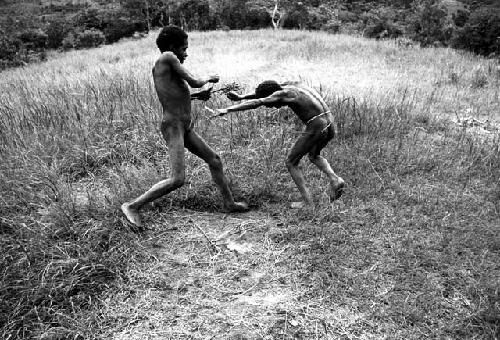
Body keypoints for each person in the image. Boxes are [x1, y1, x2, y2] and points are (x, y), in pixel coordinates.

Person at [121, 25, 248, 227]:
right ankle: (133, 206)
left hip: (183, 126)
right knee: (177, 179)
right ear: (172, 46)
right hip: (173, 126)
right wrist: (209, 78)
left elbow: (178, 95)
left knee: (214, 160)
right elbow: (195, 81)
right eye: (184, 49)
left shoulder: (167, 65)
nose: (185, 54)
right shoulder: (168, 57)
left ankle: (229, 203)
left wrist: (199, 96)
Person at [214, 80, 345, 208]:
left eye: (271, 103)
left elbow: (257, 102)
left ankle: (307, 202)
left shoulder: (282, 94)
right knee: (314, 155)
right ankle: (335, 179)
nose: (274, 106)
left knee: (291, 162)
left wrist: (228, 109)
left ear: (273, 95)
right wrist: (241, 96)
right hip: (329, 122)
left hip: (317, 125)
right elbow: (264, 95)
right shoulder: (290, 85)